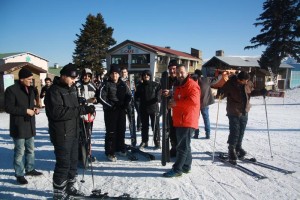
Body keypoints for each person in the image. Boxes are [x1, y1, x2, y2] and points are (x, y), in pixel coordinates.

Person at [44, 63, 95, 199]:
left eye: (75, 78)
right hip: (61, 133)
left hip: (74, 131)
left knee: (73, 163)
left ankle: (70, 187)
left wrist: (80, 102)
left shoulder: (72, 88)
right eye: (72, 78)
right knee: (63, 164)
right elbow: (57, 112)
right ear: (63, 76)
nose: (74, 81)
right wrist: (81, 109)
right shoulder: (54, 91)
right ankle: (59, 194)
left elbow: (72, 106)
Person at [4, 68, 43, 185]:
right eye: (29, 79)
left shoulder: (31, 89)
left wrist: (35, 108)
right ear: (22, 79)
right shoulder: (11, 90)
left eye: (32, 79)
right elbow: (9, 108)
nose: (31, 81)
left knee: (31, 149)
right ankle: (19, 173)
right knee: (20, 151)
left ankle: (30, 169)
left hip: (30, 124)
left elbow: (31, 105)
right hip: (19, 126)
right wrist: (25, 111)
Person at [163, 64, 200, 178]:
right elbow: (178, 95)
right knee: (185, 145)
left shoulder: (191, 84)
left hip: (187, 120)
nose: (179, 74)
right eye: (177, 72)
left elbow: (193, 101)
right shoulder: (178, 85)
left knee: (182, 147)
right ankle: (186, 166)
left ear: (187, 72)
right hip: (180, 119)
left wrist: (176, 103)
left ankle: (177, 169)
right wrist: (170, 96)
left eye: (181, 72)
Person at [219, 71, 263, 165]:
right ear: (239, 79)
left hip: (244, 111)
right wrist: (220, 93)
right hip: (233, 111)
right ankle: (231, 149)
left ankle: (238, 147)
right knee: (235, 131)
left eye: (248, 80)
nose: (247, 82)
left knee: (241, 131)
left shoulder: (248, 83)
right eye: (245, 80)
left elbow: (252, 92)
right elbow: (221, 94)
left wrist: (261, 92)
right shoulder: (230, 84)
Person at [98, 65, 132, 162]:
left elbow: (129, 95)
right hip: (110, 112)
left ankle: (120, 148)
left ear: (119, 74)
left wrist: (126, 104)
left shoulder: (123, 84)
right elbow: (101, 97)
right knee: (111, 132)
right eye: (113, 73)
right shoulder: (106, 84)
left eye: (116, 73)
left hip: (121, 111)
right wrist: (111, 106)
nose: (114, 75)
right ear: (110, 74)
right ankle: (110, 152)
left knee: (121, 130)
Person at [135, 70, 161, 149]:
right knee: (144, 126)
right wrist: (138, 103)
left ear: (150, 76)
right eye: (144, 75)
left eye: (147, 75)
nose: (146, 76)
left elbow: (159, 96)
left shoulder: (156, 85)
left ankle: (157, 141)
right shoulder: (140, 86)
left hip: (153, 108)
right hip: (143, 108)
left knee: (155, 126)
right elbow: (136, 97)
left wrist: (157, 98)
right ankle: (144, 141)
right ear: (142, 76)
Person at [75, 68, 98, 163]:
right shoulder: (76, 85)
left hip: (89, 115)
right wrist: (82, 101)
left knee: (88, 135)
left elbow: (96, 98)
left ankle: (87, 154)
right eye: (85, 75)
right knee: (81, 136)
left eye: (89, 76)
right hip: (79, 114)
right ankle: (80, 156)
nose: (86, 77)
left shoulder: (92, 85)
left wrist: (95, 101)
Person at [162, 59, 179, 157]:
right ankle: (174, 147)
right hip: (169, 110)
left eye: (174, 69)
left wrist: (171, 93)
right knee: (171, 129)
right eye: (170, 69)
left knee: (180, 131)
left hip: (180, 110)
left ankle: (180, 149)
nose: (172, 71)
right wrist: (161, 93)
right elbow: (161, 91)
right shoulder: (166, 80)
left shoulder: (181, 79)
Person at [193, 69, 215, 139]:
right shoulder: (206, 80)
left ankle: (196, 134)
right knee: (206, 119)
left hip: (196, 104)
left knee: (195, 119)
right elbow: (216, 79)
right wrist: (221, 74)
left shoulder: (193, 81)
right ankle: (208, 134)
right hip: (204, 103)